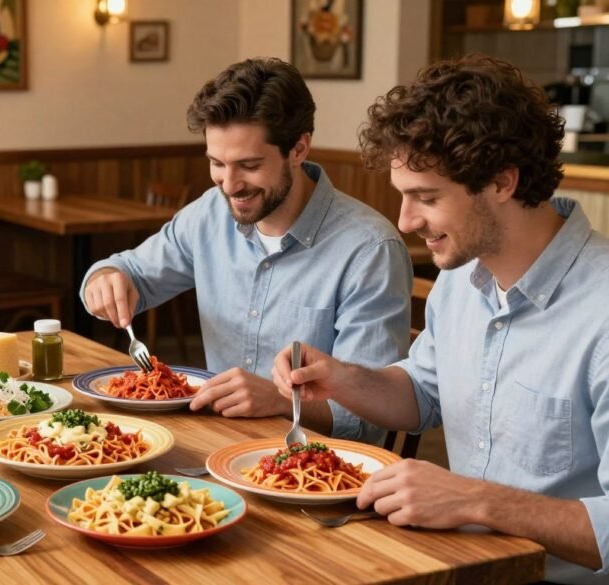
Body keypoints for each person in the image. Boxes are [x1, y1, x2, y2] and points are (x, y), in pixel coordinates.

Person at [272, 54, 609, 583]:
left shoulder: (602, 312)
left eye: (425, 198)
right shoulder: (462, 278)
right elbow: (422, 395)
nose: (405, 221)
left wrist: (476, 500)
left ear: (502, 182)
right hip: (452, 564)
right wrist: (341, 379)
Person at [82, 58, 412, 441]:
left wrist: (281, 400)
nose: (230, 185)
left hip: (318, 474)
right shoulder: (209, 213)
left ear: (299, 148)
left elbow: (371, 416)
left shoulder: (369, 250)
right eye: (217, 163)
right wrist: (106, 278)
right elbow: (129, 271)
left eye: (249, 165)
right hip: (215, 445)